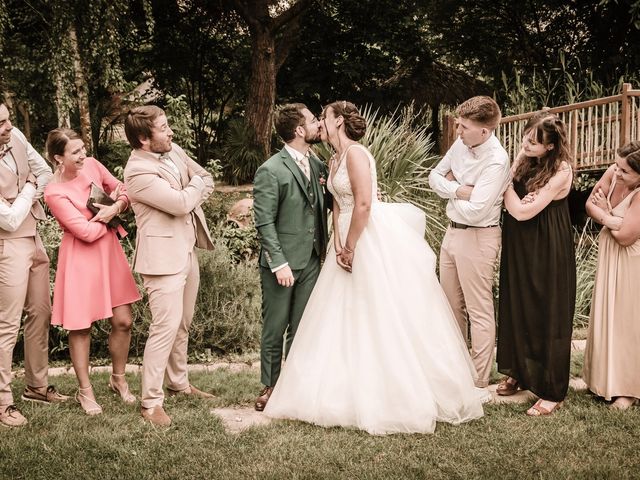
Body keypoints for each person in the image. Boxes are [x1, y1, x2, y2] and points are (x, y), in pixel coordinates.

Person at [264, 101, 483, 435]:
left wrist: (351, 245)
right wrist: (338, 243)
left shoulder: (355, 154)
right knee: (341, 315)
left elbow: (364, 204)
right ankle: (337, 387)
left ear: (338, 121)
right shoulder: (333, 158)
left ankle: (392, 390)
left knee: (378, 311)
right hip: (345, 242)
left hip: (368, 237)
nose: (320, 122)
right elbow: (337, 204)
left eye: (324, 116)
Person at [124, 105, 215, 426]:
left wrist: (191, 191)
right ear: (143, 139)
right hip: (162, 260)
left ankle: (178, 382)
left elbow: (206, 176)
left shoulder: (173, 150)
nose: (171, 132)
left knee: (183, 322)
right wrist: (191, 192)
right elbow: (180, 204)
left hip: (186, 249)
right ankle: (150, 402)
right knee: (164, 328)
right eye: (163, 128)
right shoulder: (137, 172)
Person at [44, 128, 141, 415]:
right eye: (75, 152)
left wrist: (117, 206)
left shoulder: (94, 166)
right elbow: (84, 232)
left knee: (123, 320)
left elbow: (123, 190)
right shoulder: (54, 192)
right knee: (81, 326)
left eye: (83, 148)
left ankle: (118, 379)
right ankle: (85, 391)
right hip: (80, 259)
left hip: (109, 252)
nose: (83, 154)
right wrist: (108, 216)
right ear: (58, 158)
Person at [428, 96, 510, 401]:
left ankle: (477, 381)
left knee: (478, 309)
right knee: (450, 306)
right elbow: (433, 176)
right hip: (452, 234)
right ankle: (455, 370)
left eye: (463, 127)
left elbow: (477, 211)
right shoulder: (462, 144)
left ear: (484, 131)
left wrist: (449, 191)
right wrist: (459, 189)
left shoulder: (497, 160)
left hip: (479, 237)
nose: (458, 131)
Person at [496, 113, 575, 416]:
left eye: (535, 141)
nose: (526, 143)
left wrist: (505, 191)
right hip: (519, 246)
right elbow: (512, 179)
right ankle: (520, 371)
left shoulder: (562, 170)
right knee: (519, 305)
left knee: (548, 311)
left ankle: (553, 391)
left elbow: (521, 212)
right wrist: (521, 153)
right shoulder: (526, 159)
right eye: (526, 137)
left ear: (552, 146)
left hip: (547, 246)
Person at [252, 103, 330, 411]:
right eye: (313, 120)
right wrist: (279, 263)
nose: (318, 124)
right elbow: (264, 222)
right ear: (299, 131)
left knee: (302, 325)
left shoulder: (318, 164)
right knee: (275, 326)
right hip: (282, 262)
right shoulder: (270, 170)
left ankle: (295, 385)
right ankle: (270, 385)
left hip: (312, 257)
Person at [0, 103, 69, 428]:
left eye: (8, 119)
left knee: (41, 312)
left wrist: (23, 195)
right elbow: (10, 221)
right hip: (6, 245)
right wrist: (28, 191)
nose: (8, 126)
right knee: (7, 325)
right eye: (1, 122)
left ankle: (37, 387)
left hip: (33, 237)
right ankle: (3, 402)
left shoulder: (14, 137)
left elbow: (43, 173)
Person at [583, 141, 640, 410]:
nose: (616, 174)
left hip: (632, 263)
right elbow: (589, 205)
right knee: (608, 316)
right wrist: (609, 218)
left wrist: (603, 213)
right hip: (610, 258)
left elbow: (627, 236)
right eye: (616, 166)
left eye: (624, 171)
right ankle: (603, 381)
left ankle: (629, 389)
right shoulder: (614, 171)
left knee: (628, 323)